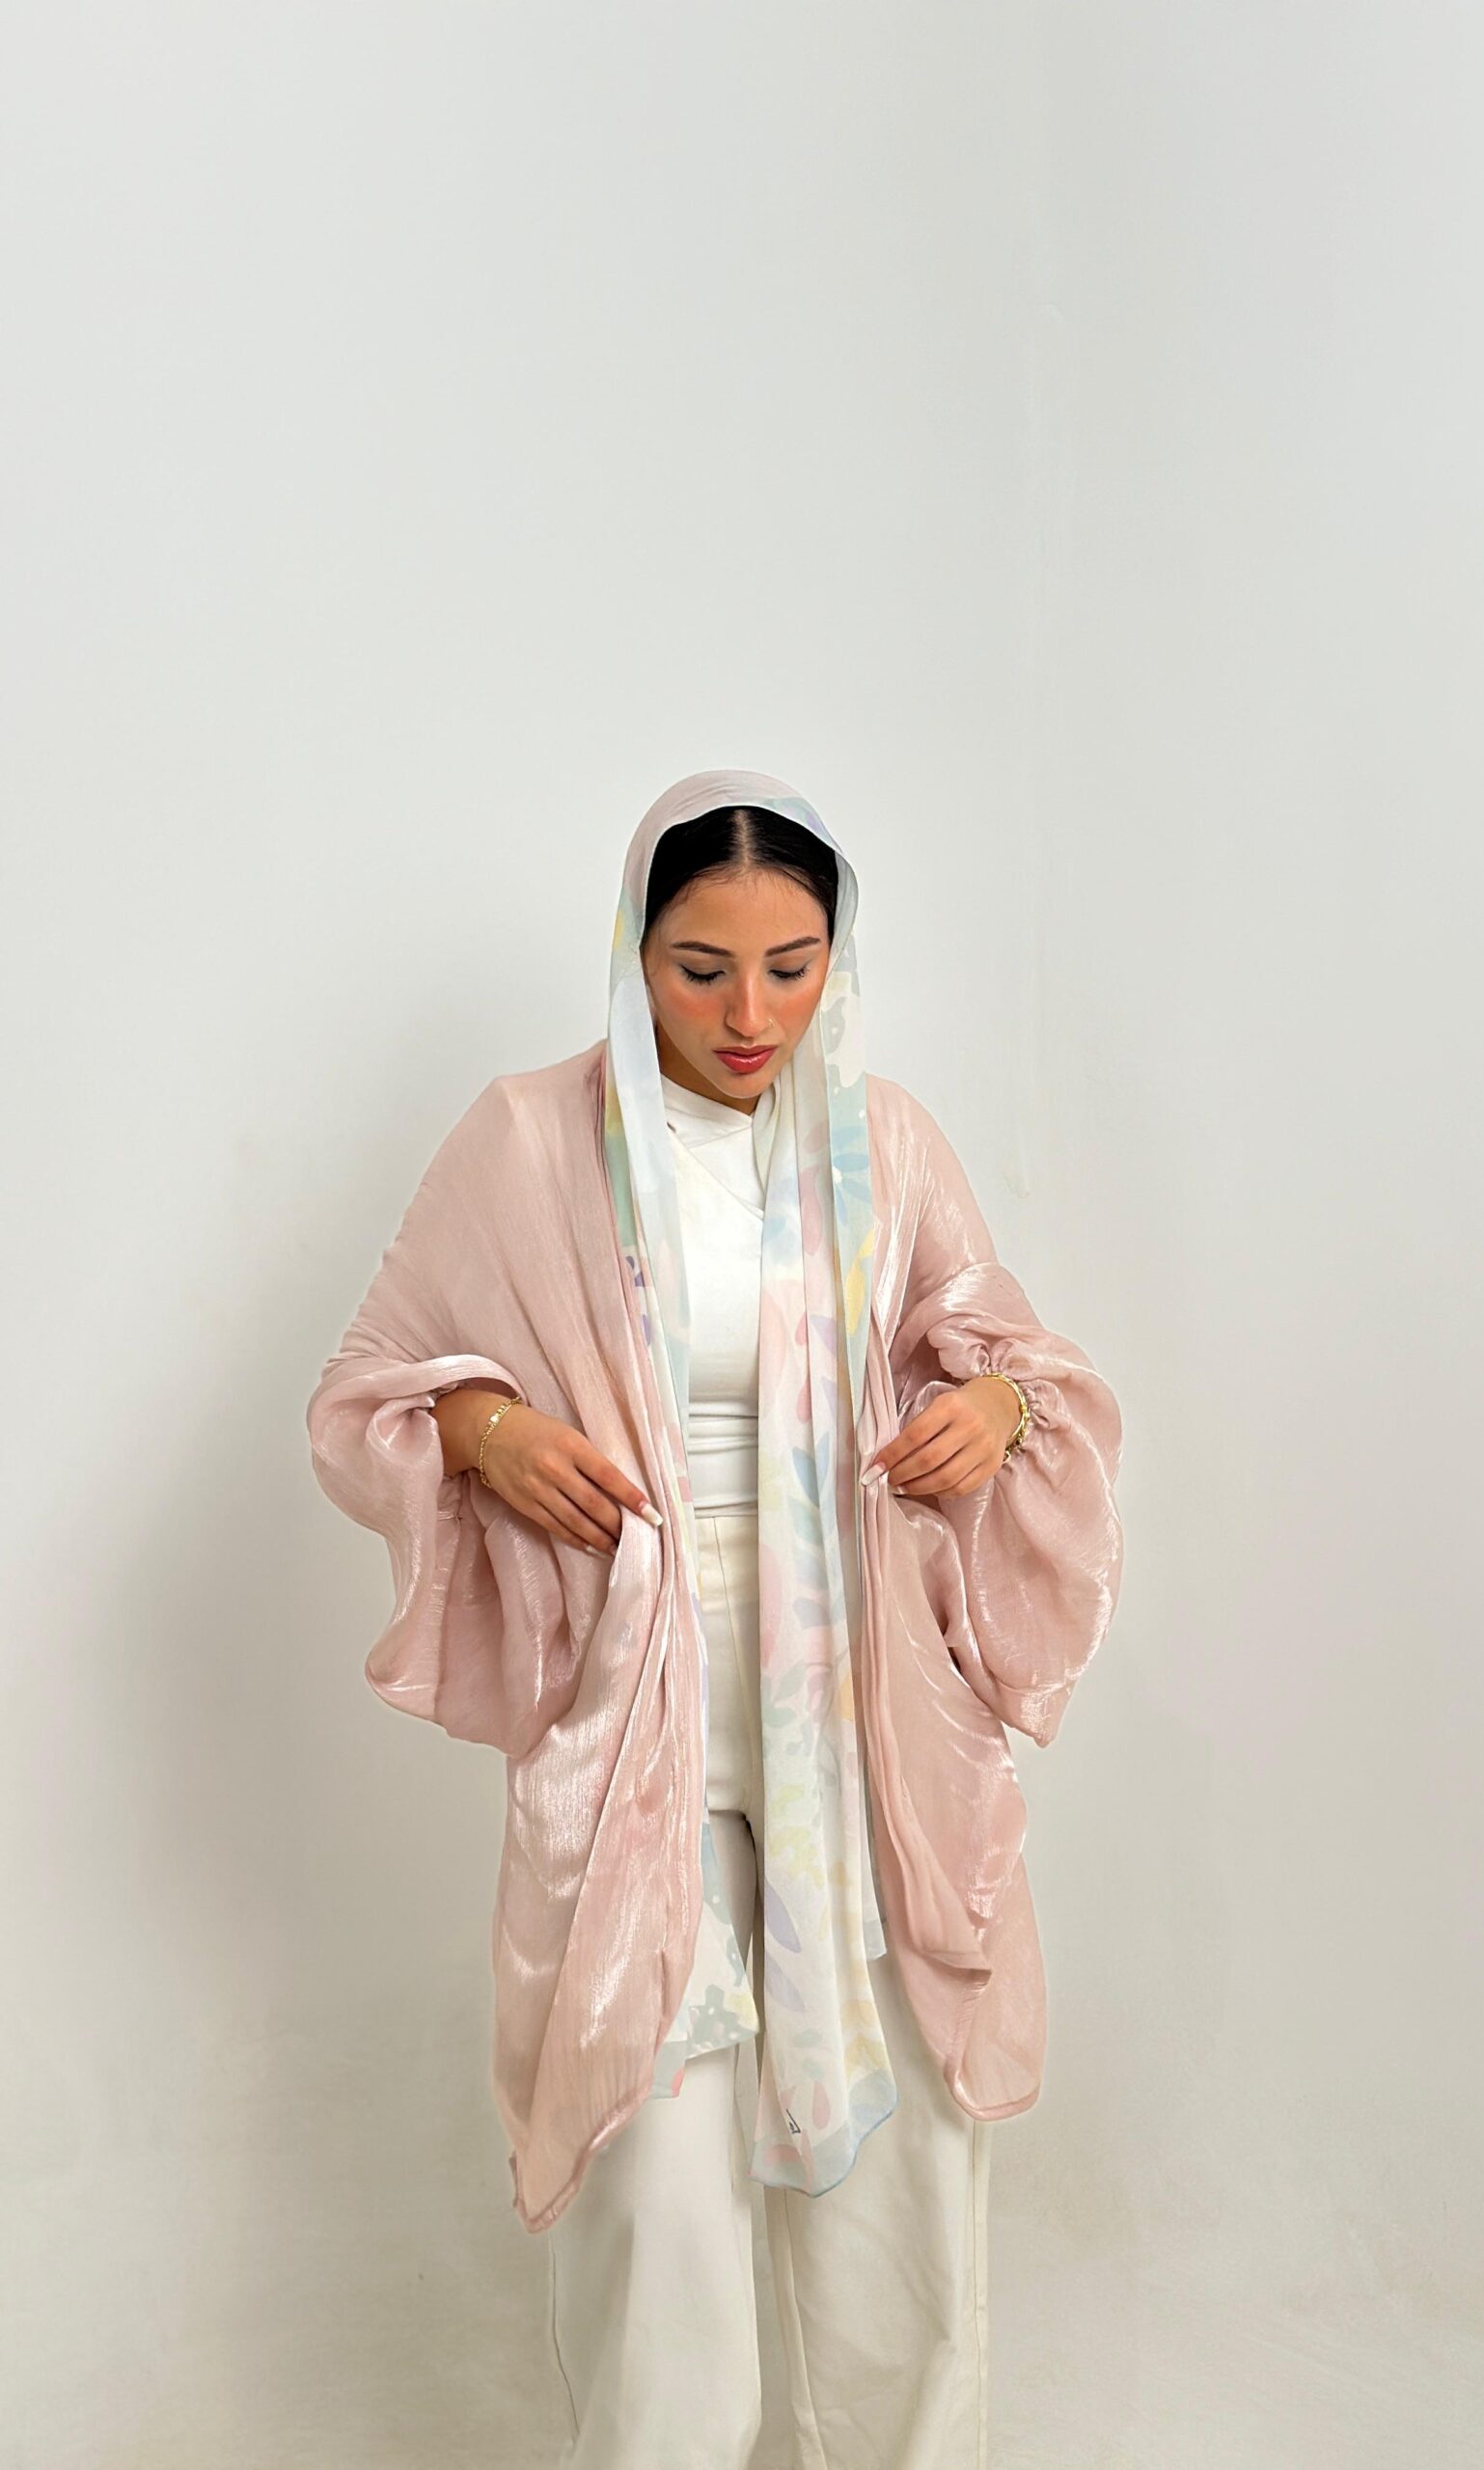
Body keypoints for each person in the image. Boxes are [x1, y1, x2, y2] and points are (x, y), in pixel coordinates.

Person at [306, 768, 1125, 2469]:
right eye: (701, 968)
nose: (750, 1015)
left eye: (791, 966)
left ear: (837, 960)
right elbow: (363, 1391)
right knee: (658, 2200)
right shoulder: (532, 1141)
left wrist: (998, 1412)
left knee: (900, 2200)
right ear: (633, 948)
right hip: (638, 1723)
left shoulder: (883, 1144)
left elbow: (1021, 1363)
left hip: (867, 1727)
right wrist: (488, 1427)